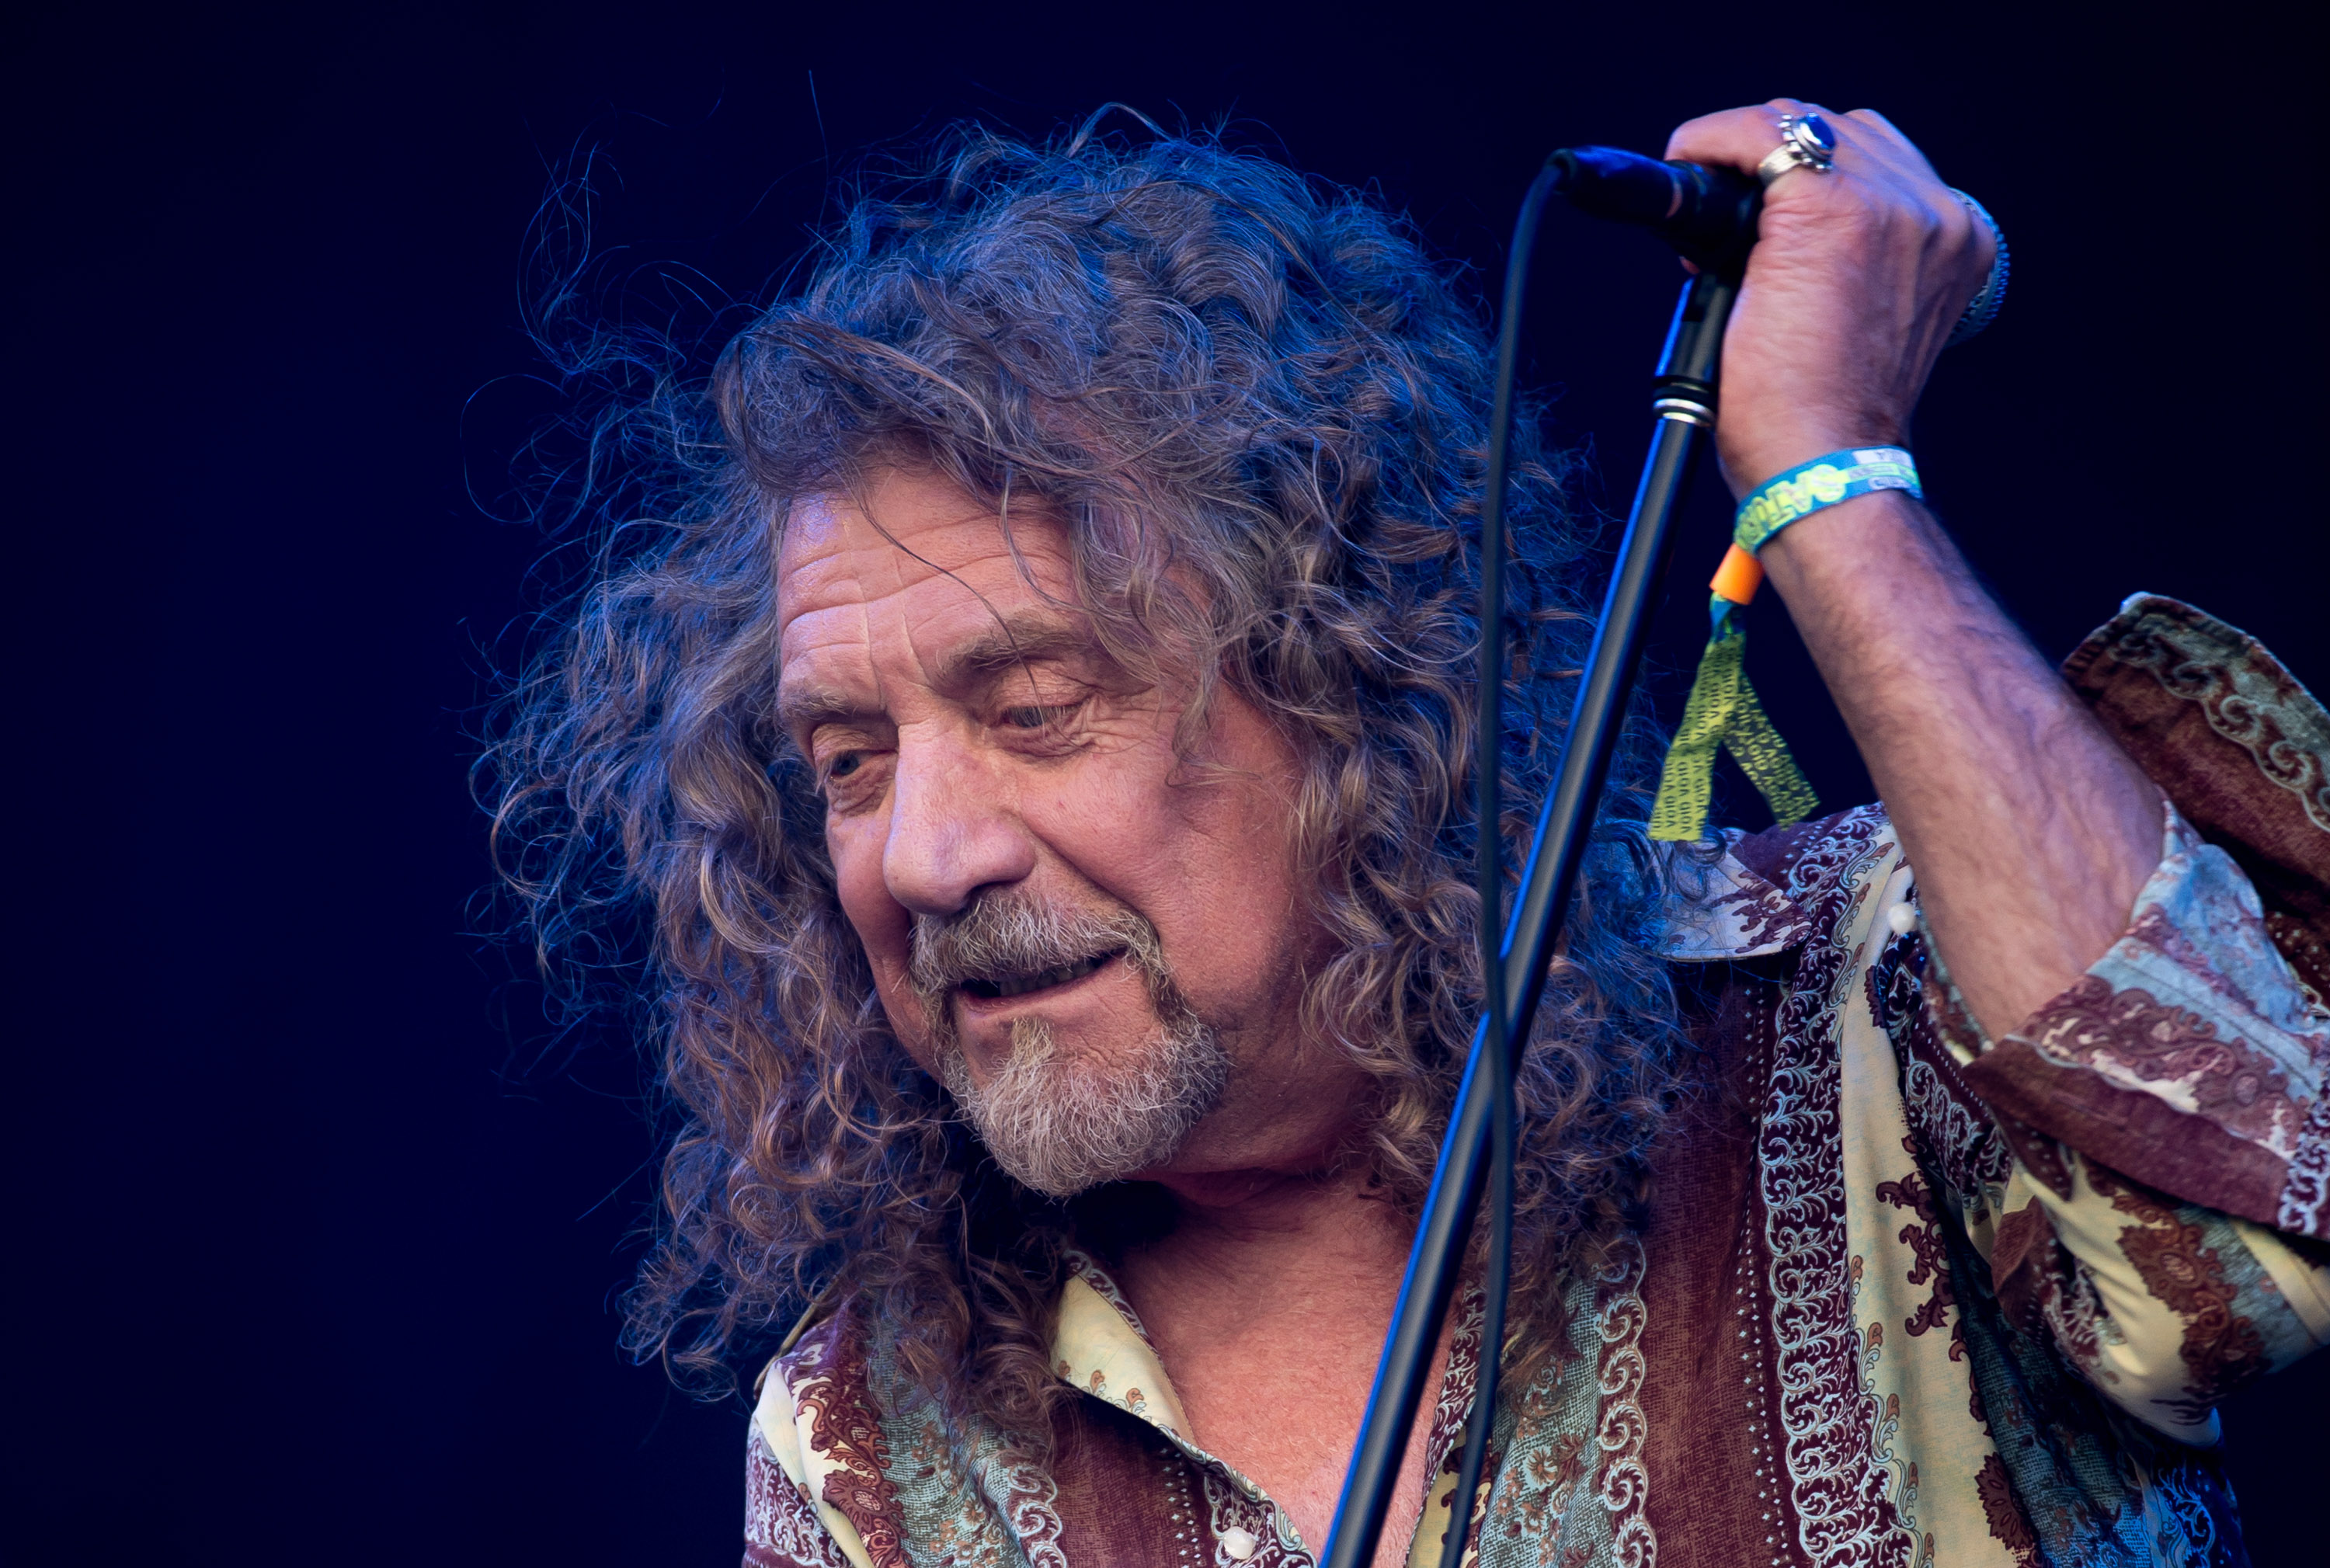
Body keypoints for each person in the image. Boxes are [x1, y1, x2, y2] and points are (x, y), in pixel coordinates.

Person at [488, 99, 2330, 1566]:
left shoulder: (1870, 1008)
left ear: (1364, 688)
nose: (922, 854)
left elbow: (2259, 1238)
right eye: (848, 760)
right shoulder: (866, 1442)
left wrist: (1826, 467)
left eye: (1039, 708)